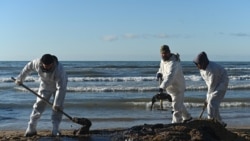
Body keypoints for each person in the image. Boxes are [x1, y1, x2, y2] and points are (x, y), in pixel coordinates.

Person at [15, 54, 68, 137]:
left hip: (59, 86)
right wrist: (20, 79)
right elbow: (27, 68)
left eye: (49, 66)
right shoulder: (36, 63)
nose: (47, 67)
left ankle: (55, 129)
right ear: (42, 63)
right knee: (38, 105)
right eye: (45, 65)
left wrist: (57, 103)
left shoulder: (59, 69)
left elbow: (61, 88)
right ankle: (31, 128)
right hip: (45, 85)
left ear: (53, 63)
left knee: (58, 108)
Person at [156, 45, 192, 123]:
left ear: (169, 52)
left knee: (176, 107)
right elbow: (161, 69)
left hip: (177, 87)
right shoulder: (163, 60)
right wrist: (159, 73)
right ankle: (187, 117)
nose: (163, 55)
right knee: (179, 103)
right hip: (170, 88)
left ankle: (176, 123)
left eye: (165, 53)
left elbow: (170, 77)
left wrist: (162, 87)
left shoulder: (174, 63)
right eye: (162, 53)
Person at [193, 51, 229, 127]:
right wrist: (207, 97)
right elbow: (208, 82)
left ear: (203, 62)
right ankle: (220, 122)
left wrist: (207, 98)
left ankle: (211, 122)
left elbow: (212, 85)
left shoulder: (213, 70)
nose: (197, 66)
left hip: (222, 82)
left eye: (198, 64)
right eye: (196, 64)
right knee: (214, 103)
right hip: (214, 83)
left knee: (212, 103)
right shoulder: (202, 69)